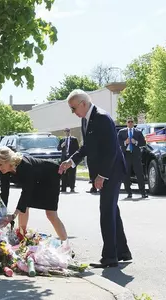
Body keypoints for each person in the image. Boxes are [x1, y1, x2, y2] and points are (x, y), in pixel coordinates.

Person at [59, 89, 131, 268]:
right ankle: (122, 251)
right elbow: (87, 147)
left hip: (111, 171)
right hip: (106, 172)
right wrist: (71, 161)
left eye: (73, 108)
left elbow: (111, 150)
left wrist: (102, 175)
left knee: (106, 211)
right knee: (112, 210)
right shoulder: (86, 120)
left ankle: (110, 258)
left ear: (83, 103)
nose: (73, 112)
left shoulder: (102, 117)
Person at [0, 146, 69, 243]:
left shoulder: (26, 166)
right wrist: (0, 215)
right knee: (24, 208)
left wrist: (13, 216)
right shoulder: (4, 170)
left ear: (9, 161)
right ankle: (21, 238)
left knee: (51, 214)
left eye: (1, 164)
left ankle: (66, 245)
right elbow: (4, 192)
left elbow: (26, 193)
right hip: (34, 181)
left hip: (49, 177)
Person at [118, 118, 147, 198]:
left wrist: (136, 142)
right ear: (126, 123)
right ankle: (129, 192)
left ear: (134, 123)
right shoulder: (122, 132)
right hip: (126, 155)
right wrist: (125, 142)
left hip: (135, 155)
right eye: (129, 122)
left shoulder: (138, 132)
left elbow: (143, 143)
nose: (130, 123)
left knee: (139, 174)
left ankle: (143, 192)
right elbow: (117, 142)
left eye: (132, 122)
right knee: (126, 174)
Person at [57, 128, 79, 192]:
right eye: (66, 131)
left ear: (70, 132)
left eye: (68, 131)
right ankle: (63, 188)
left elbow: (77, 149)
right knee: (64, 174)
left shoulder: (74, 139)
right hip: (64, 158)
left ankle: (72, 188)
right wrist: (61, 146)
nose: (67, 133)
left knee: (72, 173)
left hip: (71, 159)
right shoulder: (62, 140)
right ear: (64, 132)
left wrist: (75, 158)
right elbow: (58, 148)